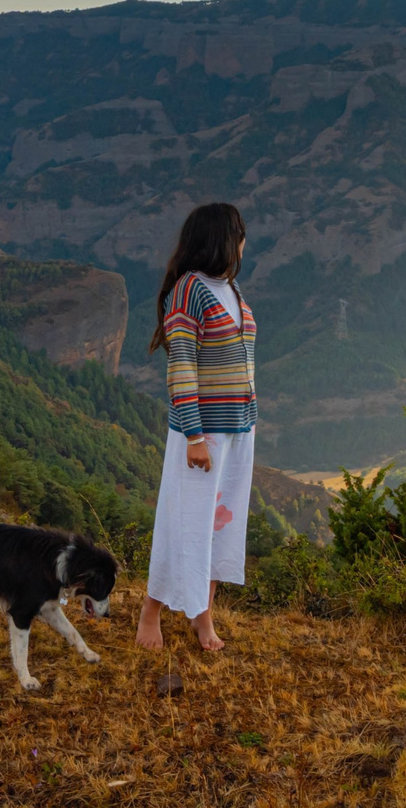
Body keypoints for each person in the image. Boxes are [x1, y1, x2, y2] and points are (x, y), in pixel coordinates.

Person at [136, 201, 256, 653]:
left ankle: (203, 616)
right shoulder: (190, 290)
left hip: (239, 430)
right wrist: (194, 435)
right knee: (185, 523)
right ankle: (151, 611)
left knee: (219, 526)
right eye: (239, 233)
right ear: (223, 238)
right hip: (203, 433)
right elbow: (182, 367)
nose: (244, 242)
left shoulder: (230, 288)